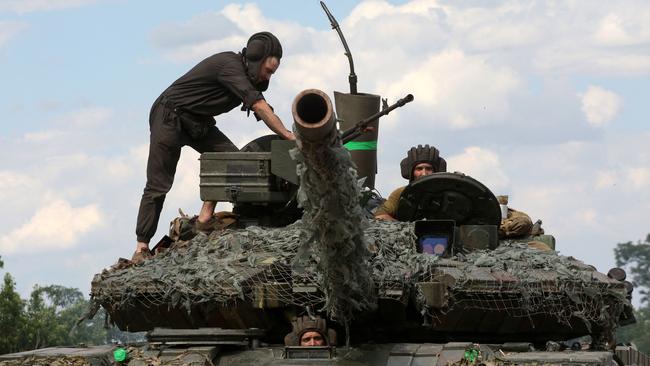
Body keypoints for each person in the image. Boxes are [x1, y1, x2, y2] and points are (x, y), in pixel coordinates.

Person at [133, 31, 295, 262]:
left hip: (197, 122)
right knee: (159, 184)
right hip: (169, 115)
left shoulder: (246, 76)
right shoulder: (229, 66)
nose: (268, 77)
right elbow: (259, 106)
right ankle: (141, 247)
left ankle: (204, 219)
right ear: (256, 60)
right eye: (268, 71)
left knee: (233, 161)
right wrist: (290, 137)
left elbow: (263, 106)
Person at [374, 145, 446, 221]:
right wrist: (405, 227)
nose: (424, 173)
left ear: (435, 171)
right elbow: (380, 215)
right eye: (419, 169)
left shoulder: (447, 192)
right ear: (412, 172)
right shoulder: (401, 193)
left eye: (428, 169)